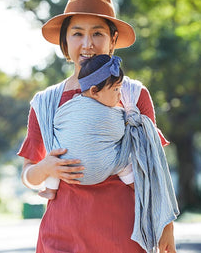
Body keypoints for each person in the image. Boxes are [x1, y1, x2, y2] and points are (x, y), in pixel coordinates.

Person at [18, 0, 179, 253]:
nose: (88, 43)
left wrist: (167, 226)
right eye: (77, 33)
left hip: (125, 235)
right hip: (60, 236)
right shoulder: (46, 103)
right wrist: (47, 168)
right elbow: (28, 174)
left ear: (113, 40)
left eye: (98, 33)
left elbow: (154, 170)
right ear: (64, 43)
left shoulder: (133, 96)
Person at [38, 54, 135, 200]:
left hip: (67, 169)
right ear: (94, 91)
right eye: (116, 89)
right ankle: (136, 186)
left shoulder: (68, 106)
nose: (120, 95)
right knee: (123, 163)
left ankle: (50, 189)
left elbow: (57, 122)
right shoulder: (114, 114)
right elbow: (119, 132)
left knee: (54, 153)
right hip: (104, 169)